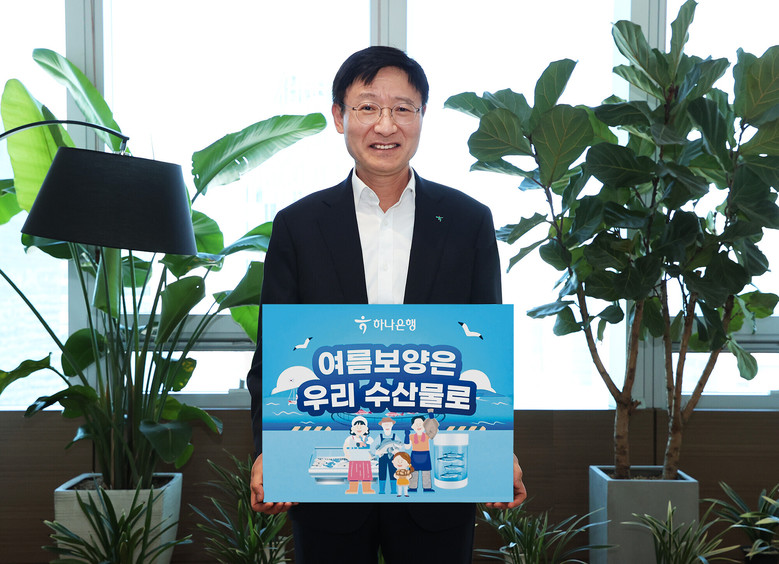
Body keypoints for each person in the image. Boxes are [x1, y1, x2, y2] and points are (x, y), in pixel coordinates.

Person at [247, 45, 527, 564]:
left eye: (402, 108)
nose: (385, 124)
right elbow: (271, 356)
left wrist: (495, 451)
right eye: (367, 107)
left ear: (422, 117)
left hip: (435, 483)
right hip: (326, 483)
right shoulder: (298, 225)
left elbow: (484, 347)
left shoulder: (469, 221)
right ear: (340, 117)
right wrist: (269, 452)